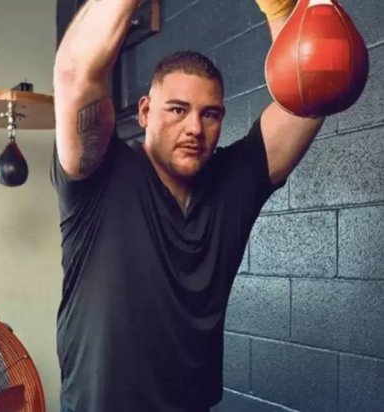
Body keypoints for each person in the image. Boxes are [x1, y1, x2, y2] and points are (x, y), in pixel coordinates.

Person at [52, 0, 324, 411]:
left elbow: (311, 95)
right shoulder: (100, 174)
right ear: (145, 112)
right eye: (178, 110)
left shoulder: (233, 184)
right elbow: (75, 72)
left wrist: (282, 10)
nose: (195, 127)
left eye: (209, 114)